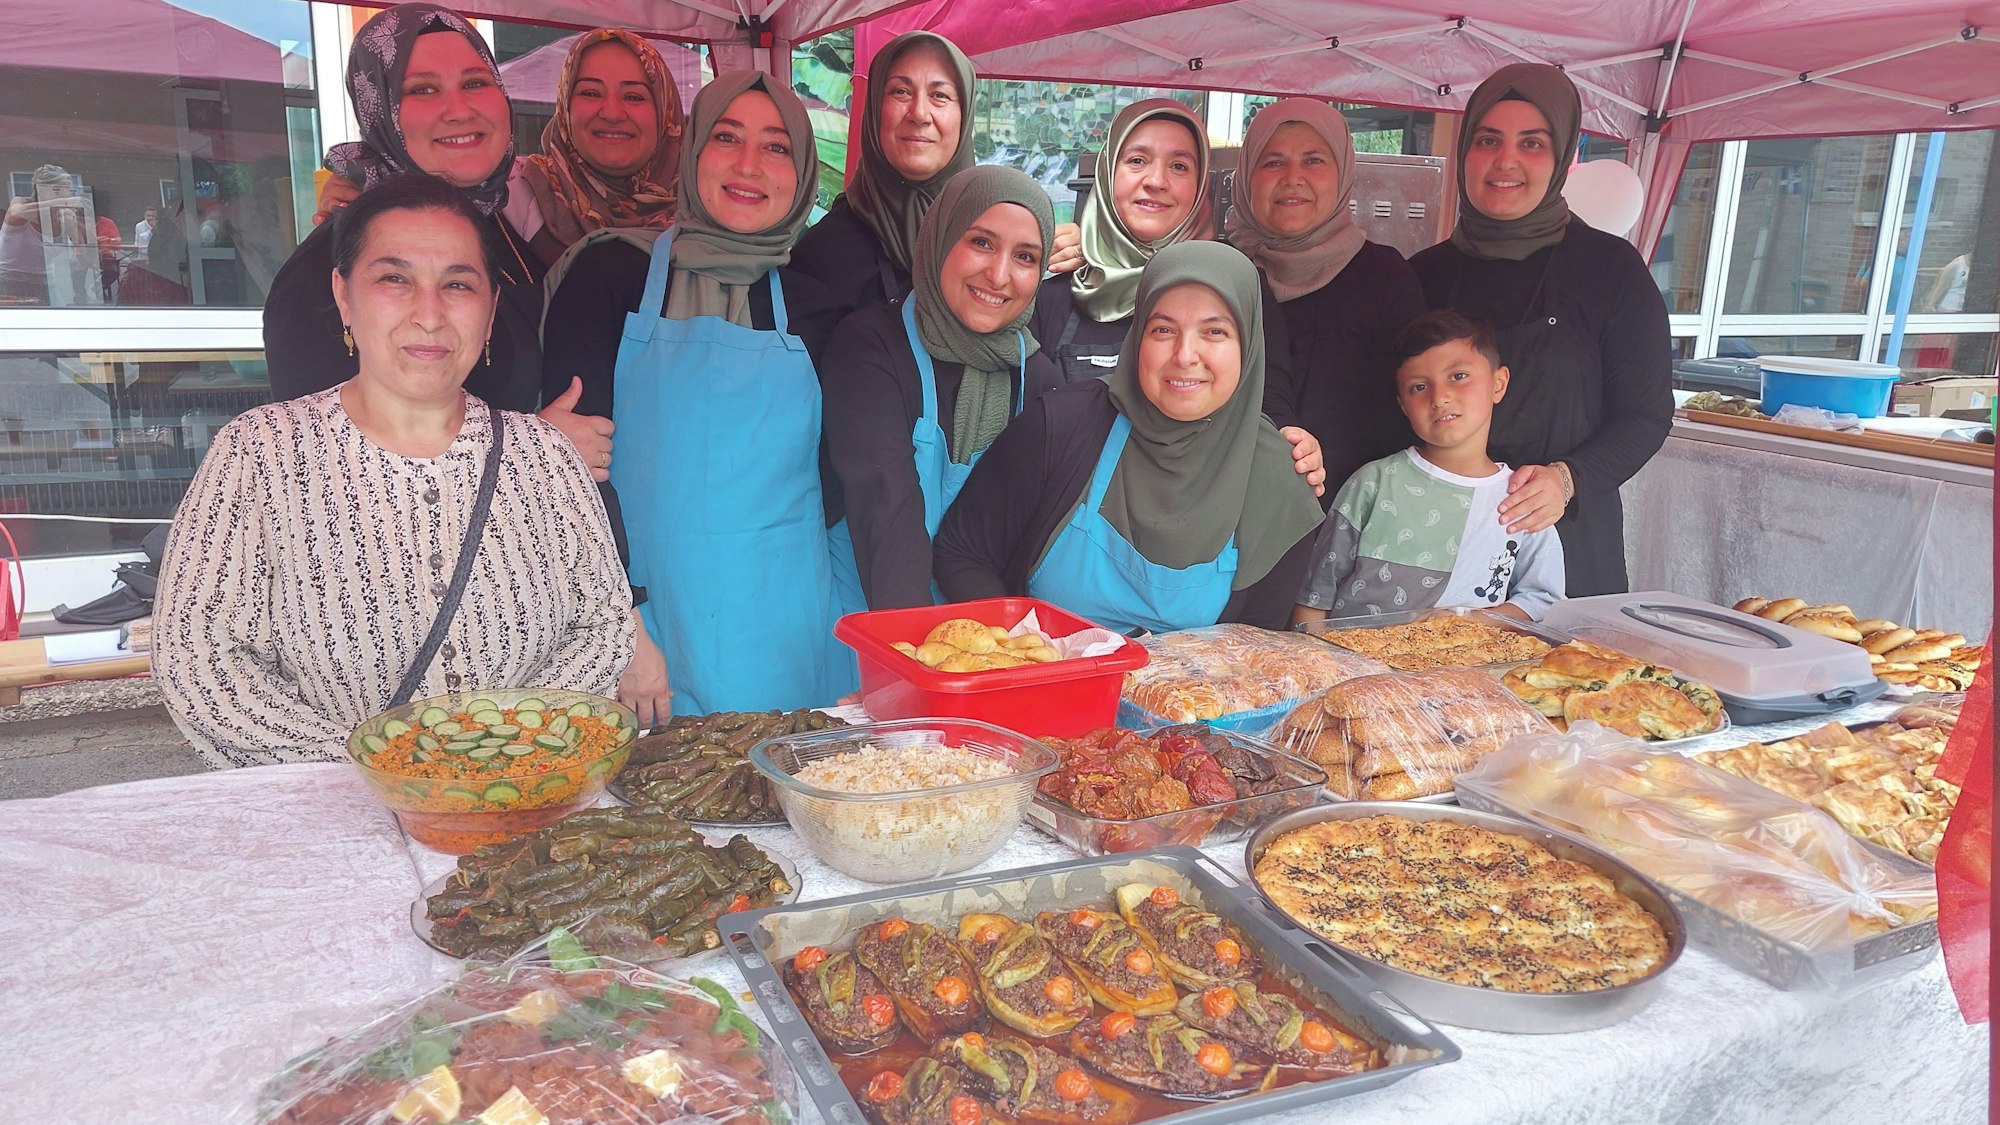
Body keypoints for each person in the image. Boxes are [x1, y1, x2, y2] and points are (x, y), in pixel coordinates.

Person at [154, 174, 633, 768]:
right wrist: (382, 776)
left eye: (458, 283)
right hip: (332, 827)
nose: (428, 315)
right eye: (394, 279)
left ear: (489, 314)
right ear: (344, 296)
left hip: (518, 812)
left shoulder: (547, 457)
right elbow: (201, 659)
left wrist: (508, 758)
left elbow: (601, 626)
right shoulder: (259, 454)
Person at [539, 71, 847, 721]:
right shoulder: (609, 274)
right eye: (726, 138)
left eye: (776, 147)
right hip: (645, 631)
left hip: (787, 639)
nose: (748, 165)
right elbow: (572, 478)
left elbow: (840, 485)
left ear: (802, 174)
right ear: (693, 151)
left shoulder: (818, 304)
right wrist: (621, 624)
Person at [935, 241, 1324, 633]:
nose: (1185, 354)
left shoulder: (1279, 480)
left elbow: (1255, 651)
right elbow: (963, 553)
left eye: (1215, 331)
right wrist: (1024, 652)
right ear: (1138, 337)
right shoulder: (1061, 427)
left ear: (1249, 347)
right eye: (1163, 329)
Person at [1408, 63, 1672, 597]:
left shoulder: (1610, 270)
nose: (1505, 162)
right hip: (1433, 546)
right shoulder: (1422, 274)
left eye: (1532, 143)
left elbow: (1645, 415)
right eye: (1488, 140)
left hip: (1568, 544)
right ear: (1465, 153)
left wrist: (1567, 478)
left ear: (1560, 159)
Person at [263, 2, 547, 413]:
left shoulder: (496, 221)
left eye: (475, 83)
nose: (460, 111)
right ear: (378, 109)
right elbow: (321, 458)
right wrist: (540, 448)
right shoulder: (334, 261)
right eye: (423, 89)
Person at [1031, 98, 1324, 493]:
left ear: (1201, 183)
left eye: (1179, 166)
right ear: (1107, 173)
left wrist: (1294, 446)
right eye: (1136, 161)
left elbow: (1268, 410)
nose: (1156, 181)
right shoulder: (1058, 282)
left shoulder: (1238, 284)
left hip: (1195, 519)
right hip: (1068, 513)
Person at [822, 165, 1061, 610]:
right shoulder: (872, 349)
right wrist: (920, 662)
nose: (999, 275)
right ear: (940, 237)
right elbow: (886, 512)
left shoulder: (1038, 378)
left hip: (978, 640)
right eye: (981, 242)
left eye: (1025, 257)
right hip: (869, 625)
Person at [1293, 310, 1564, 626]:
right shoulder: (1373, 483)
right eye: (1419, 387)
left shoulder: (1524, 498)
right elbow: (1314, 598)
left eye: (1458, 376)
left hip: (1465, 671)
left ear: (1498, 383)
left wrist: (1465, 624)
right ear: (1403, 405)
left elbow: (1542, 601)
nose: (1440, 397)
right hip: (1355, 668)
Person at [791, 31, 1082, 324]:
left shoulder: (1011, 241)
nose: (919, 114)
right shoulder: (822, 256)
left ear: (964, 114)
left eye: (939, 95)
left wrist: (1078, 256)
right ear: (875, 110)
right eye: (900, 92)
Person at [1228, 98, 1429, 502]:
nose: (1292, 178)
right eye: (1272, 162)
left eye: (1314, 160)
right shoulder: (1225, 274)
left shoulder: (1384, 279)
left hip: (1351, 523)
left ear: (1343, 175)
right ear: (1246, 176)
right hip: (1231, 523)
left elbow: (1411, 416)